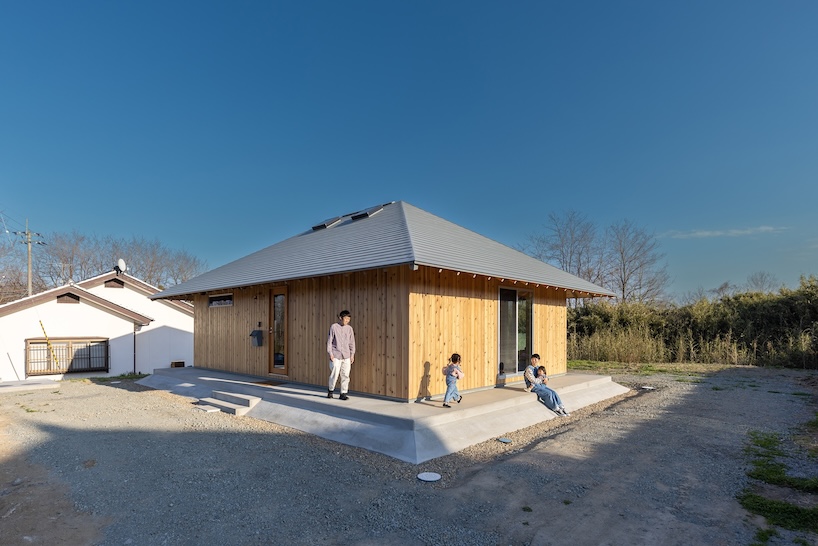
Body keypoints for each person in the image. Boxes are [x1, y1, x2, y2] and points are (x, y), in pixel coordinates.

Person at [327, 309, 355, 400]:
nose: (347, 321)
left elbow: (352, 343)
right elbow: (329, 341)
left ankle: (343, 393)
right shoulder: (334, 327)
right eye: (346, 319)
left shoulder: (349, 329)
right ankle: (330, 391)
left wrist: (352, 354)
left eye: (348, 319)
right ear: (340, 318)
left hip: (346, 355)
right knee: (334, 374)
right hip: (336, 355)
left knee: (346, 375)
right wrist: (330, 353)